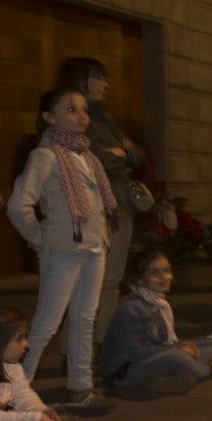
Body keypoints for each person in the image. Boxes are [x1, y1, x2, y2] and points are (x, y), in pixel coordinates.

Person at [8, 87, 117, 412]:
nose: (81, 115)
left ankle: (80, 387)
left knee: (85, 319)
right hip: (62, 251)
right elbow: (18, 205)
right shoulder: (45, 155)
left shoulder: (88, 157)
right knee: (47, 322)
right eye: (71, 109)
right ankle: (18, 392)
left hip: (94, 248)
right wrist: (41, 239)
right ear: (48, 117)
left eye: (84, 109)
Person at [56, 58, 146, 345]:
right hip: (89, 206)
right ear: (80, 79)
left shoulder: (106, 119)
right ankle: (73, 348)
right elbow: (91, 158)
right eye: (99, 77)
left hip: (119, 206)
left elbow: (138, 156)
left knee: (110, 281)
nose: (106, 84)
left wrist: (118, 152)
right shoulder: (69, 114)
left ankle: (101, 344)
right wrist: (118, 153)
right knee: (85, 282)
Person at [101, 251, 212, 395]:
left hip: (153, 359)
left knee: (211, 343)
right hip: (125, 372)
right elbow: (135, 352)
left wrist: (178, 346)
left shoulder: (159, 303)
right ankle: (210, 369)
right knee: (176, 357)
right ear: (139, 280)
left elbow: (164, 342)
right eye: (155, 272)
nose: (163, 277)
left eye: (166, 271)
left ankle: (163, 380)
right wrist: (176, 349)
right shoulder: (130, 309)